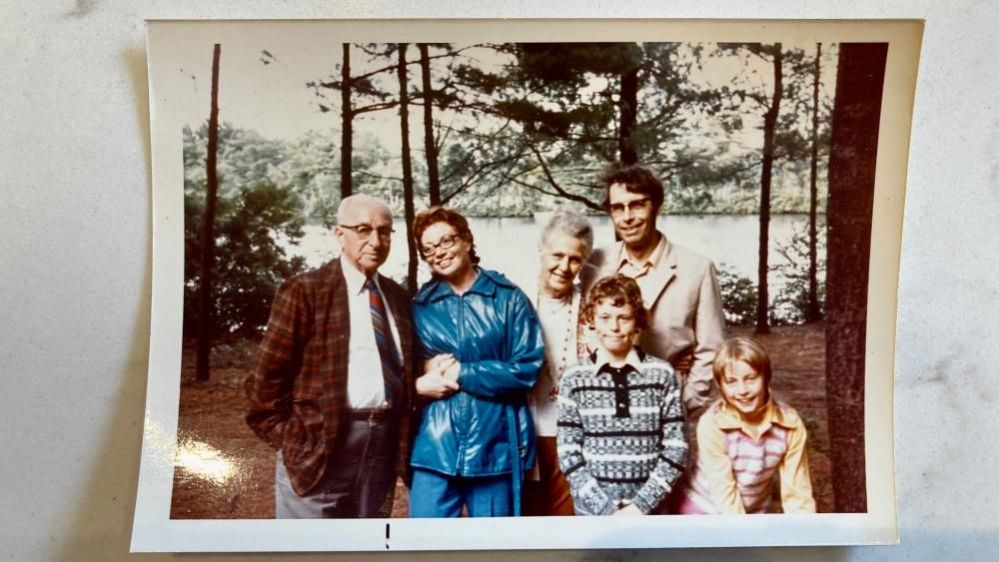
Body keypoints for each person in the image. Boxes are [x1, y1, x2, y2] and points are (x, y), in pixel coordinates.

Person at [244, 194, 416, 519]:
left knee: (366, 547)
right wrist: (293, 440)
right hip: (319, 447)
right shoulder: (306, 291)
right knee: (310, 551)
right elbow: (263, 382)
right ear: (340, 234)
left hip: (381, 447)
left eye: (385, 231)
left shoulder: (397, 297)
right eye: (363, 230)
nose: (376, 241)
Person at [408, 206, 544, 518]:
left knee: (495, 549)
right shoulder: (419, 307)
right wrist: (420, 377)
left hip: (495, 448)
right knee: (426, 548)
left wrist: (462, 372)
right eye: (429, 249)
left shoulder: (508, 298)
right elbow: (399, 370)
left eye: (446, 241)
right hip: (434, 449)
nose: (439, 253)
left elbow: (527, 369)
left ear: (467, 240)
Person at [581, 162, 725, 417]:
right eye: (617, 208)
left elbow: (711, 348)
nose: (627, 217)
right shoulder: (595, 264)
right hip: (602, 408)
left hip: (666, 408)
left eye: (637, 205)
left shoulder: (697, 269)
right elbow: (581, 332)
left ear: (656, 205)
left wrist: (685, 400)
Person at [557, 275, 688, 516]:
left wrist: (640, 506)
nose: (614, 328)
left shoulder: (662, 375)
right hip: (593, 515)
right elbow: (568, 453)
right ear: (591, 320)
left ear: (638, 321)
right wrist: (605, 510)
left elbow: (676, 448)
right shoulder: (574, 377)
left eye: (624, 318)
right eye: (604, 318)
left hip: (651, 513)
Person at [671, 337, 816, 514]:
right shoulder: (712, 424)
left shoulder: (789, 423)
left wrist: (804, 533)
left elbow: (797, 494)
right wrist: (744, 534)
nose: (742, 391)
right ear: (720, 385)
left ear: (766, 378)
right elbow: (724, 494)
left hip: (753, 512)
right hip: (702, 508)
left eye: (751, 379)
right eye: (731, 382)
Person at [523, 210, 594, 516]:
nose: (564, 267)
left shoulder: (590, 305)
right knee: (525, 526)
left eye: (575, 259)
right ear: (540, 250)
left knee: (566, 526)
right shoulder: (517, 299)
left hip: (573, 436)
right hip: (524, 432)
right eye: (557, 255)